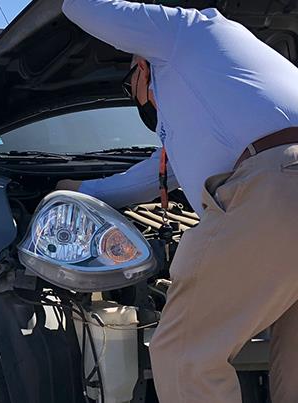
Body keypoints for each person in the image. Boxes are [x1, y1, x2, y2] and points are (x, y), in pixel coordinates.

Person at [58, 1, 298, 402]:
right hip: (283, 189)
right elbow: (150, 177)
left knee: (184, 352)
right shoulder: (222, 84)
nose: (139, 102)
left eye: (128, 87)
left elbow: (84, 7)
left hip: (278, 185)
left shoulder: (182, 33)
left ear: (141, 63)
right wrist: (82, 191)